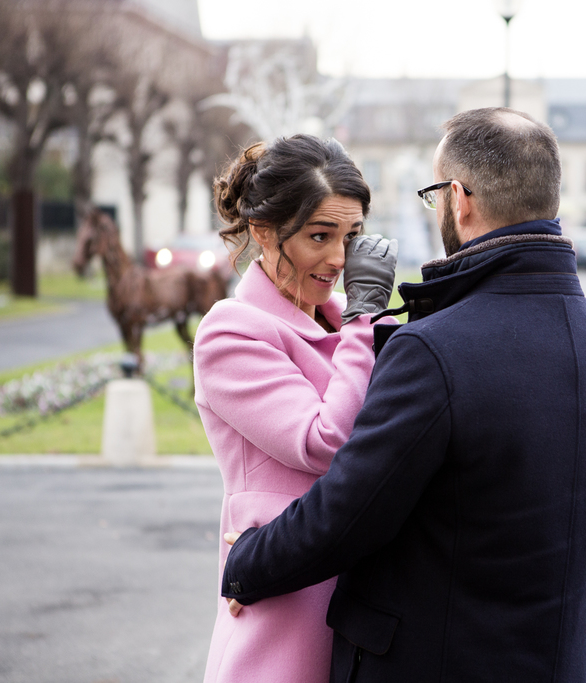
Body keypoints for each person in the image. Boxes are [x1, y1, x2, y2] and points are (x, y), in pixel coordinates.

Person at [220, 108, 586, 682]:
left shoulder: (435, 351)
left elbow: (349, 513)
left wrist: (245, 563)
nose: (341, 255)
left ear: (458, 198)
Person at [193, 134, 398, 683]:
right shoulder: (231, 331)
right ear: (263, 231)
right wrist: (362, 321)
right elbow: (325, 442)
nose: (339, 258)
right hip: (289, 603)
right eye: (319, 236)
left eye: (352, 236)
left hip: (361, 601)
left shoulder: (344, 319)